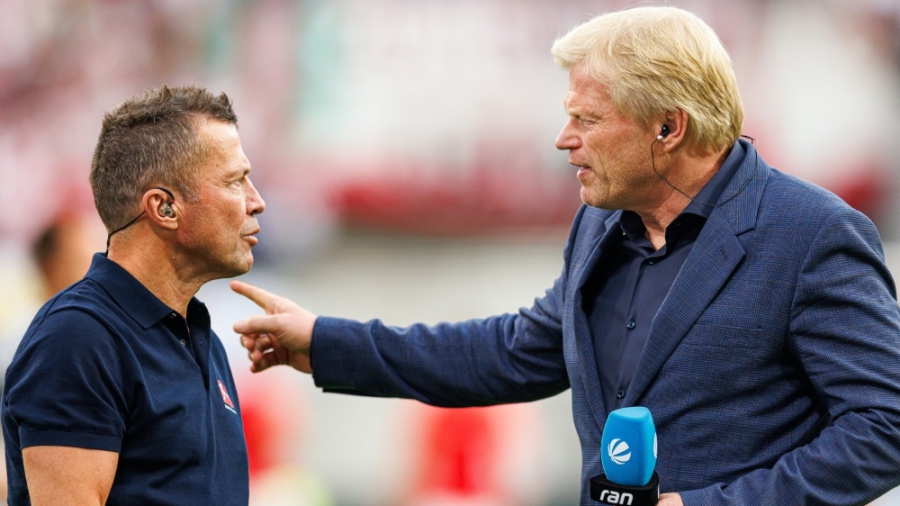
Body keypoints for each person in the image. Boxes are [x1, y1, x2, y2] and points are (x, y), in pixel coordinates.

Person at [231, 6, 900, 506]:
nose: (563, 138)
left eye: (587, 119)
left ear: (668, 126)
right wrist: (324, 343)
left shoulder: (812, 234)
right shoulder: (600, 224)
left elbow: (885, 426)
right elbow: (511, 353)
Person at [2, 85, 266, 505]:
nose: (257, 202)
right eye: (235, 181)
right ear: (164, 207)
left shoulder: (203, 341)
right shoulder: (78, 339)